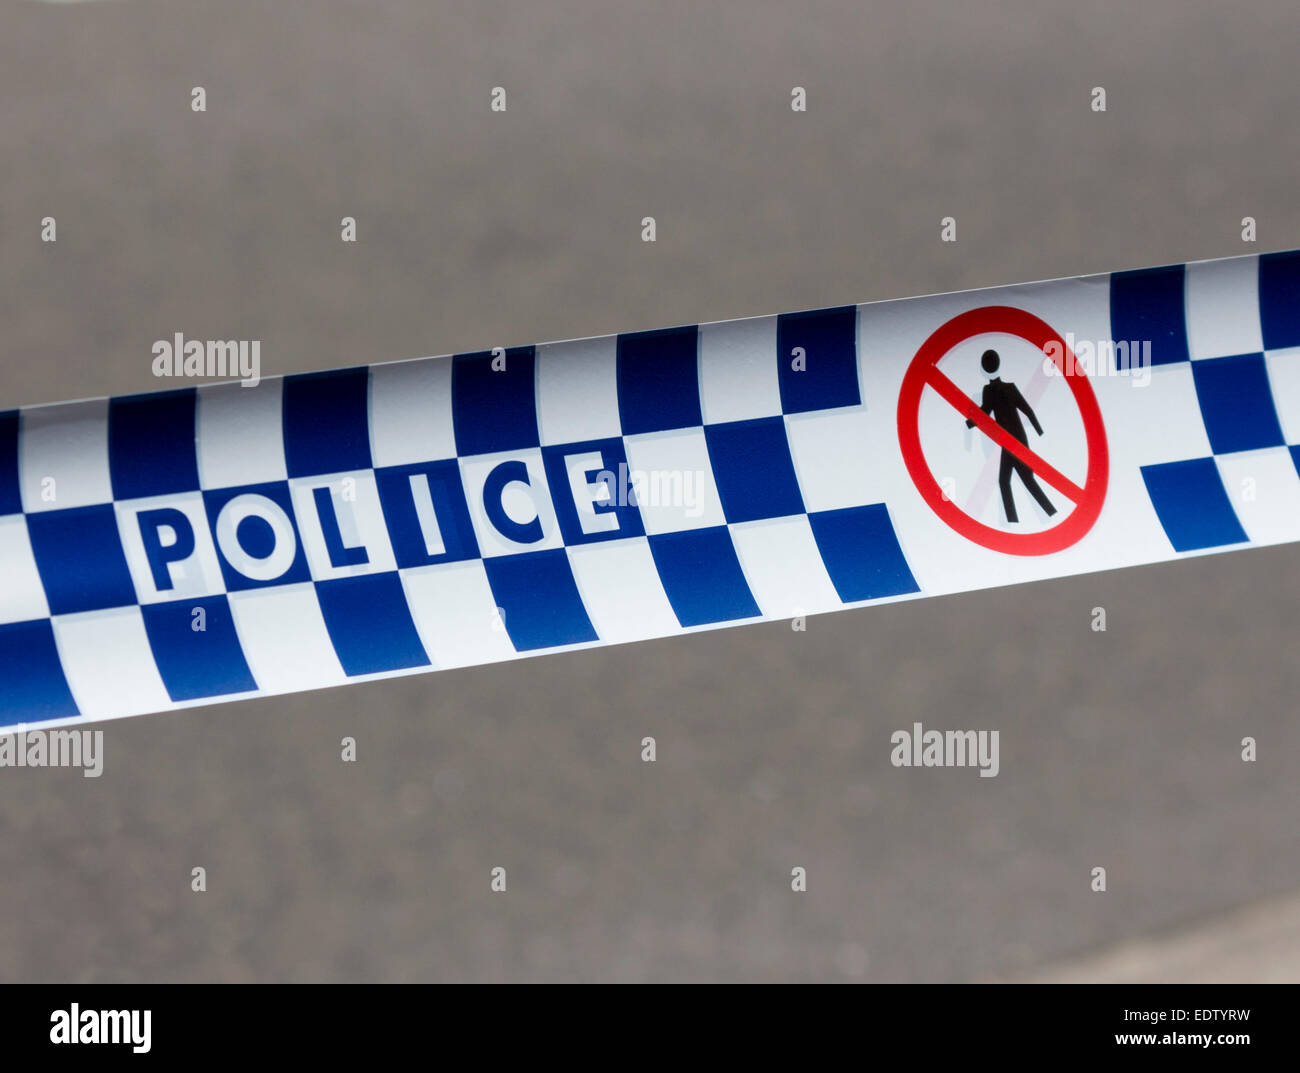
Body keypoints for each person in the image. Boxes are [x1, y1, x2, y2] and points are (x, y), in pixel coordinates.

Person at [966, 349, 1056, 523]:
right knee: (1011, 480)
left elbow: (986, 411)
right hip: (1013, 440)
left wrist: (971, 422)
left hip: (1012, 442)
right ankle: (1017, 519)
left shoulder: (991, 390)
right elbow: (1025, 410)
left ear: (984, 369)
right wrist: (1039, 431)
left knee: (1016, 480)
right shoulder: (1006, 388)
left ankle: (1039, 514)